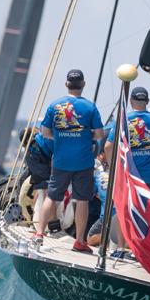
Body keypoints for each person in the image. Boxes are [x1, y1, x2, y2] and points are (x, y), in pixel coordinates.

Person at [34, 69, 105, 252]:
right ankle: (80, 240)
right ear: (83, 85)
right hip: (83, 162)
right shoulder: (90, 107)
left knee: (52, 196)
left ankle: (39, 234)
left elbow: (45, 132)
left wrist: (60, 137)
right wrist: (84, 134)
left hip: (60, 161)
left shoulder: (54, 105)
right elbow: (99, 135)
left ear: (66, 84)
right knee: (82, 201)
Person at [104, 86, 150, 194]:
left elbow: (108, 147)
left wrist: (114, 170)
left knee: (129, 211)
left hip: (130, 176)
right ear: (147, 101)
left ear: (131, 101)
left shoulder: (122, 119)